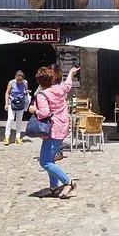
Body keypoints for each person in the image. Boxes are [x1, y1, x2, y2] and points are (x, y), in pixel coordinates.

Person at [32, 65, 79, 198]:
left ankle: (68, 182)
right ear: (52, 79)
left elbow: (44, 113)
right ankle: (54, 187)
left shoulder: (42, 95)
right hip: (62, 127)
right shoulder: (59, 89)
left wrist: (33, 110)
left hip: (52, 130)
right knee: (50, 159)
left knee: (44, 162)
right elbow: (68, 85)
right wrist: (71, 72)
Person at [3, 70, 30, 145]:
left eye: (20, 80)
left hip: (21, 103)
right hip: (12, 102)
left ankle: (18, 137)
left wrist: (26, 93)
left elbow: (25, 91)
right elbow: (7, 93)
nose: (19, 81)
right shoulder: (11, 82)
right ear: (15, 77)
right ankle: (7, 136)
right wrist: (6, 103)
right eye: (18, 80)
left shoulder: (25, 82)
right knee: (10, 118)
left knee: (19, 120)